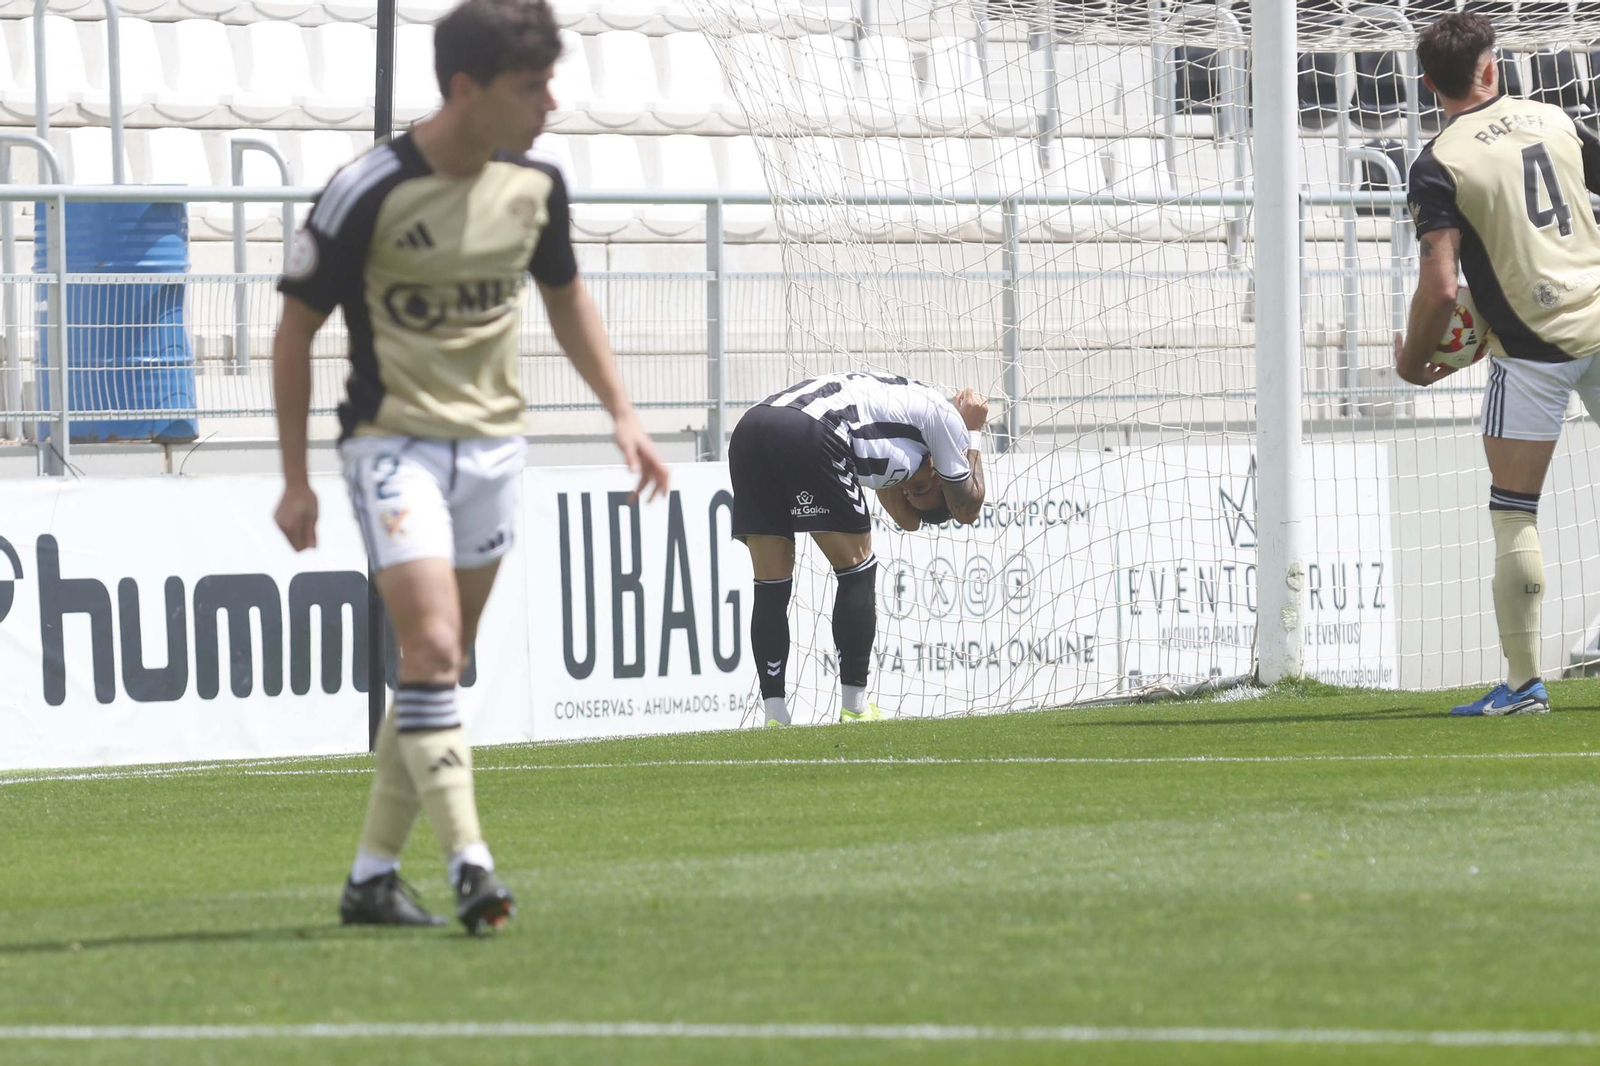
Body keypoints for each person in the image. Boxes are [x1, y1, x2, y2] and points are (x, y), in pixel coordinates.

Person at [271, 0, 669, 932]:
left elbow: (568, 300)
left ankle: (371, 878)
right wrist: (294, 476)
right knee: (436, 650)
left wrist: (623, 414)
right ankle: (470, 867)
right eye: (531, 87)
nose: (551, 104)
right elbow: (293, 333)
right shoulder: (365, 188)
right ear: (465, 89)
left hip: (494, 451)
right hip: (391, 447)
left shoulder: (536, 187)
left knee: (432, 670)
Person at [1395, 12, 1600, 716]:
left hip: (1534, 350)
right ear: (1493, 68)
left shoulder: (1439, 162)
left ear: (1428, 85)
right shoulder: (1557, 120)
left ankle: (1522, 687)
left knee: (1515, 512)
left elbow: (1442, 285)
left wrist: (1412, 361)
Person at [729, 372, 989, 726]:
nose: (912, 490)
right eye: (924, 487)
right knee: (857, 571)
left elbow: (908, 520)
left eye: (915, 494)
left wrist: (915, 496)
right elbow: (967, 508)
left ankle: (775, 716)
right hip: (814, 428)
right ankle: (855, 708)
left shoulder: (895, 446)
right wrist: (972, 430)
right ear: (939, 469)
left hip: (751, 428)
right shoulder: (947, 425)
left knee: (771, 584)